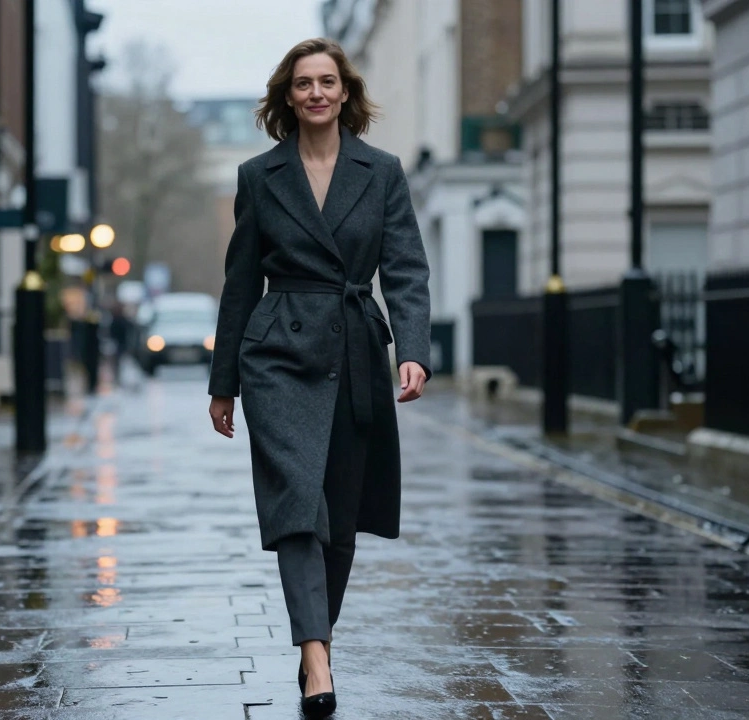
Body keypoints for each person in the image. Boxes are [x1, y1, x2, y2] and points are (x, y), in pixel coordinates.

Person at [206, 37, 431, 718]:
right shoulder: (259, 176)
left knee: (338, 519)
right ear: (288, 96)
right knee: (297, 505)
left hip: (356, 350)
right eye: (303, 83)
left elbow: (407, 269)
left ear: (345, 92)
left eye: (327, 81)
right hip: (278, 353)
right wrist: (224, 384)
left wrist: (412, 348)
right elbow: (240, 283)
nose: (316, 93)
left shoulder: (383, 171)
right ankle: (315, 657)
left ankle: (316, 643)